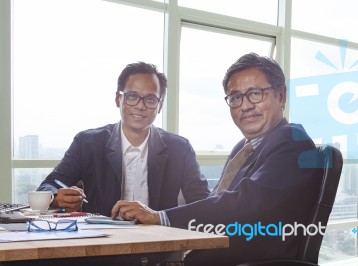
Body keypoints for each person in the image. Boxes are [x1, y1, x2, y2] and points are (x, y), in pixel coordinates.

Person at [110, 53, 323, 265]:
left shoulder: (292, 142)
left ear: (281, 96)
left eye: (255, 94)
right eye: (235, 97)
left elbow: (245, 202)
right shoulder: (244, 148)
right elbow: (217, 201)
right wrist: (182, 251)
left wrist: (161, 217)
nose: (245, 106)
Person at [37, 62, 210, 216]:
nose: (141, 106)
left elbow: (202, 201)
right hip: (100, 242)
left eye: (150, 99)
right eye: (132, 97)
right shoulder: (87, 143)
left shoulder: (179, 148)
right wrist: (55, 197)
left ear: (160, 105)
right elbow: (49, 185)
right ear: (118, 99)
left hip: (159, 243)